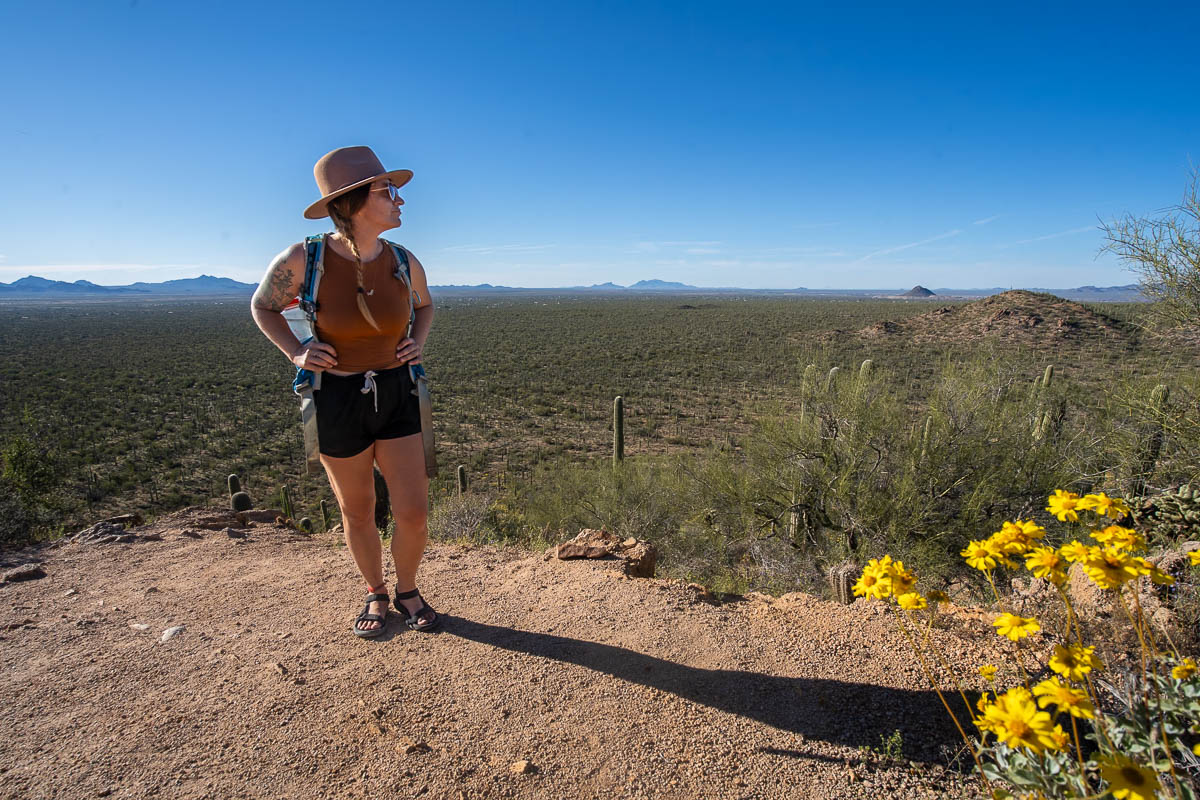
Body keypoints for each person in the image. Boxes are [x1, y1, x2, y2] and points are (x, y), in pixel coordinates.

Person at [250, 146, 439, 638]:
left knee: (413, 512)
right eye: (387, 191)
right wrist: (296, 351)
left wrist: (415, 345)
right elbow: (263, 307)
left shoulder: (403, 260)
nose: (400, 200)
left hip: (397, 391)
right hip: (335, 398)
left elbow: (425, 307)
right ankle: (376, 591)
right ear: (354, 201)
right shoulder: (304, 258)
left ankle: (408, 587)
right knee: (357, 510)